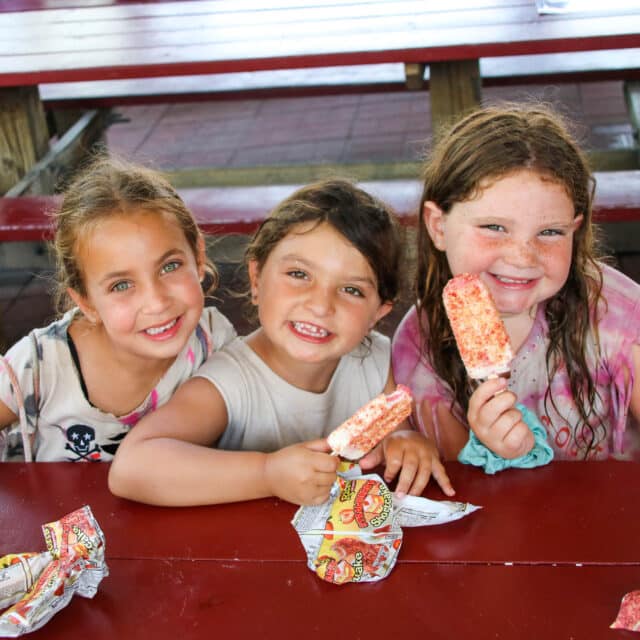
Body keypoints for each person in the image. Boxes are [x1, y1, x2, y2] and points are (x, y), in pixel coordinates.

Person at [109, 179, 454, 506]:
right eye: (299, 275)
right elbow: (131, 468)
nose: (321, 305)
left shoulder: (374, 361)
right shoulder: (230, 382)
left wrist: (406, 442)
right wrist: (267, 474)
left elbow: (398, 432)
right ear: (257, 279)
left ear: (378, 313)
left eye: (352, 290)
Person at [392, 103, 640, 463]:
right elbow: (458, 484)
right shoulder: (419, 342)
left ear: (576, 229)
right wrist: (492, 450)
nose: (523, 257)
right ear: (438, 226)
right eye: (494, 227)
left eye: (550, 232)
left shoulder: (617, 313)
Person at [0, 155, 236, 462]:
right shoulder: (37, 366)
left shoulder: (214, 340)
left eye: (170, 266)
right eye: (121, 285)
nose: (156, 302)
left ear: (198, 257)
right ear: (86, 302)